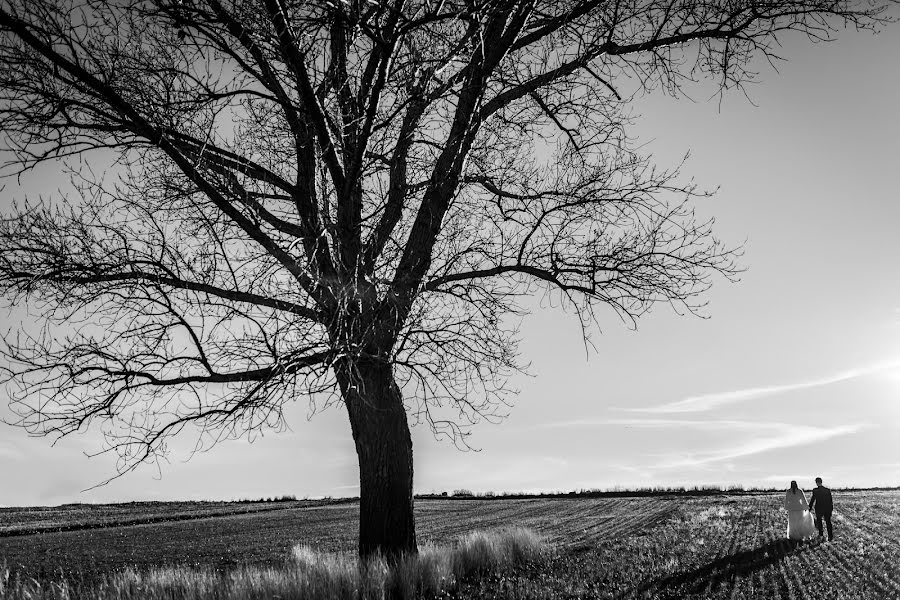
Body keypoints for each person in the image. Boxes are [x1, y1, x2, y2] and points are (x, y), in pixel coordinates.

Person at [808, 476, 834, 541]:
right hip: (826, 508)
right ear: (821, 482)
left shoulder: (815, 490)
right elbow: (830, 501)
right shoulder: (827, 490)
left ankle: (821, 535)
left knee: (820, 522)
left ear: (816, 483)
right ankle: (830, 536)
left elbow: (812, 500)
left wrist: (809, 508)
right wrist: (831, 509)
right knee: (828, 522)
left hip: (819, 508)